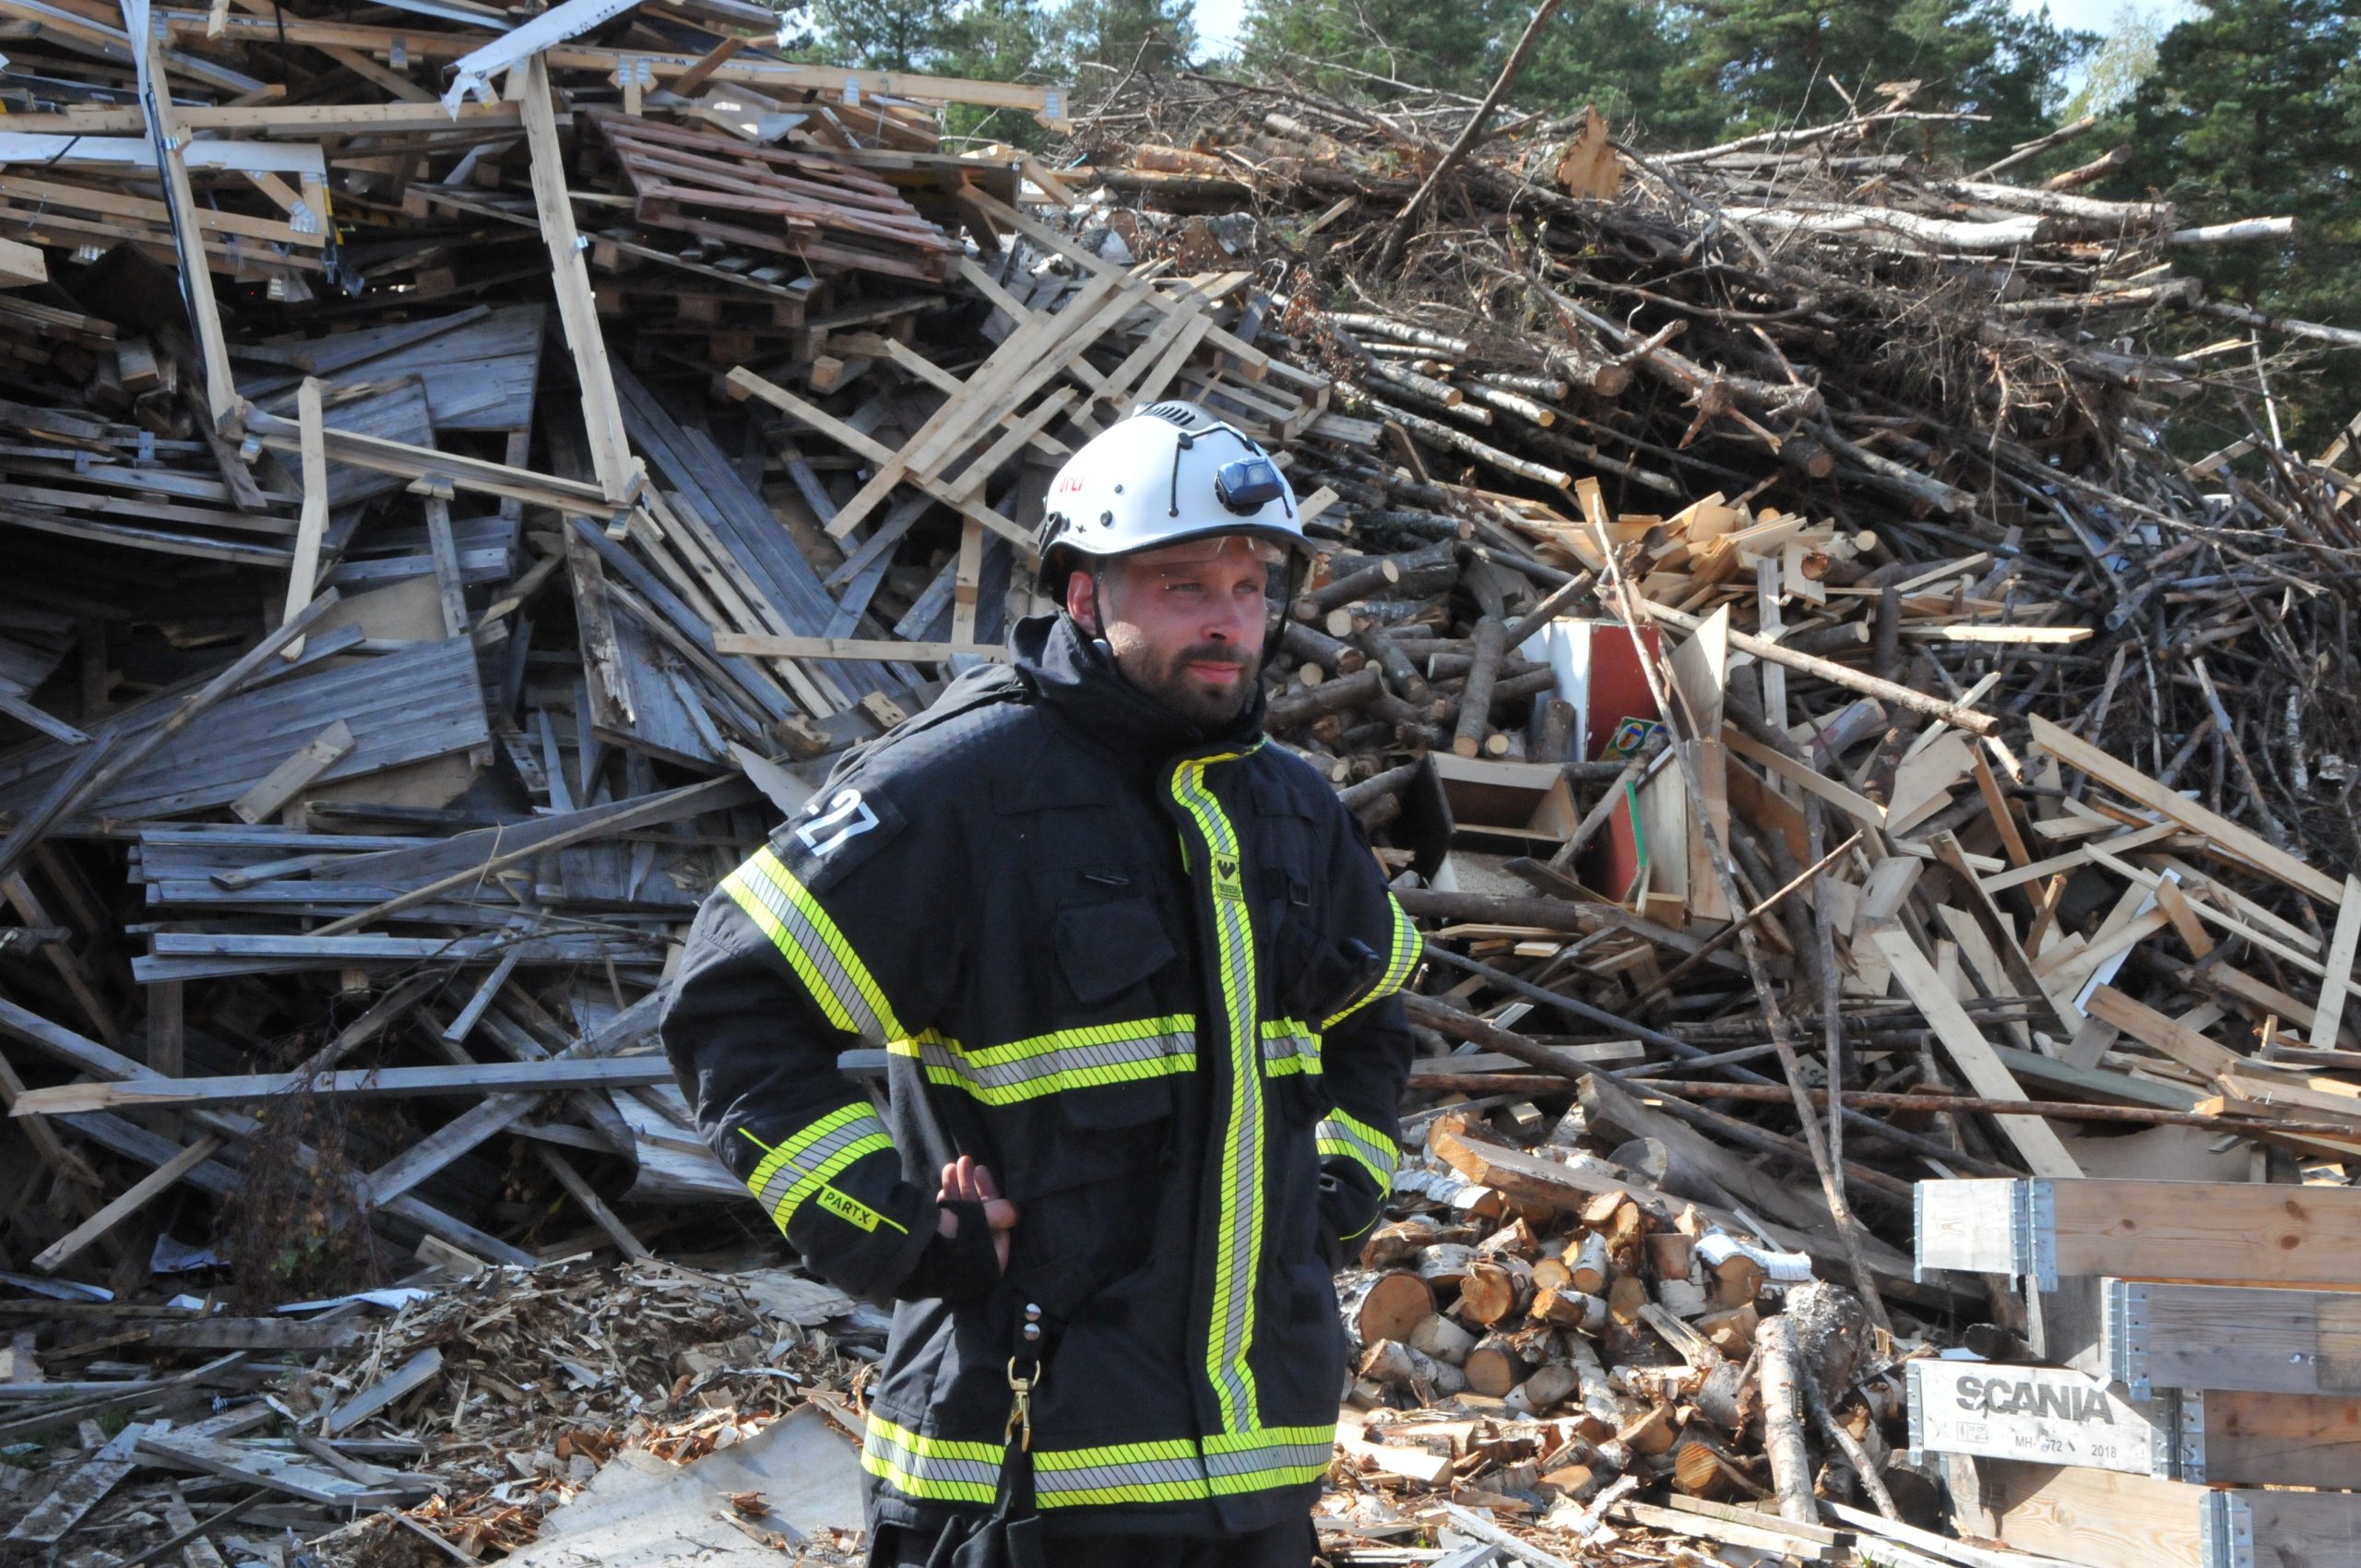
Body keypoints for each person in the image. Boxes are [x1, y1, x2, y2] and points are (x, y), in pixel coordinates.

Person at [662, 401, 1417, 1568]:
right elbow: (731, 1002)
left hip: (1258, 1479)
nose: (1230, 623)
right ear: (1081, 594)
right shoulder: (960, 787)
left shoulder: (1294, 808)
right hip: (1016, 1475)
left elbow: (1370, 1018)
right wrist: (894, 1228)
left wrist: (1330, 1198)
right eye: (1183, 587)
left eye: (1250, 586)